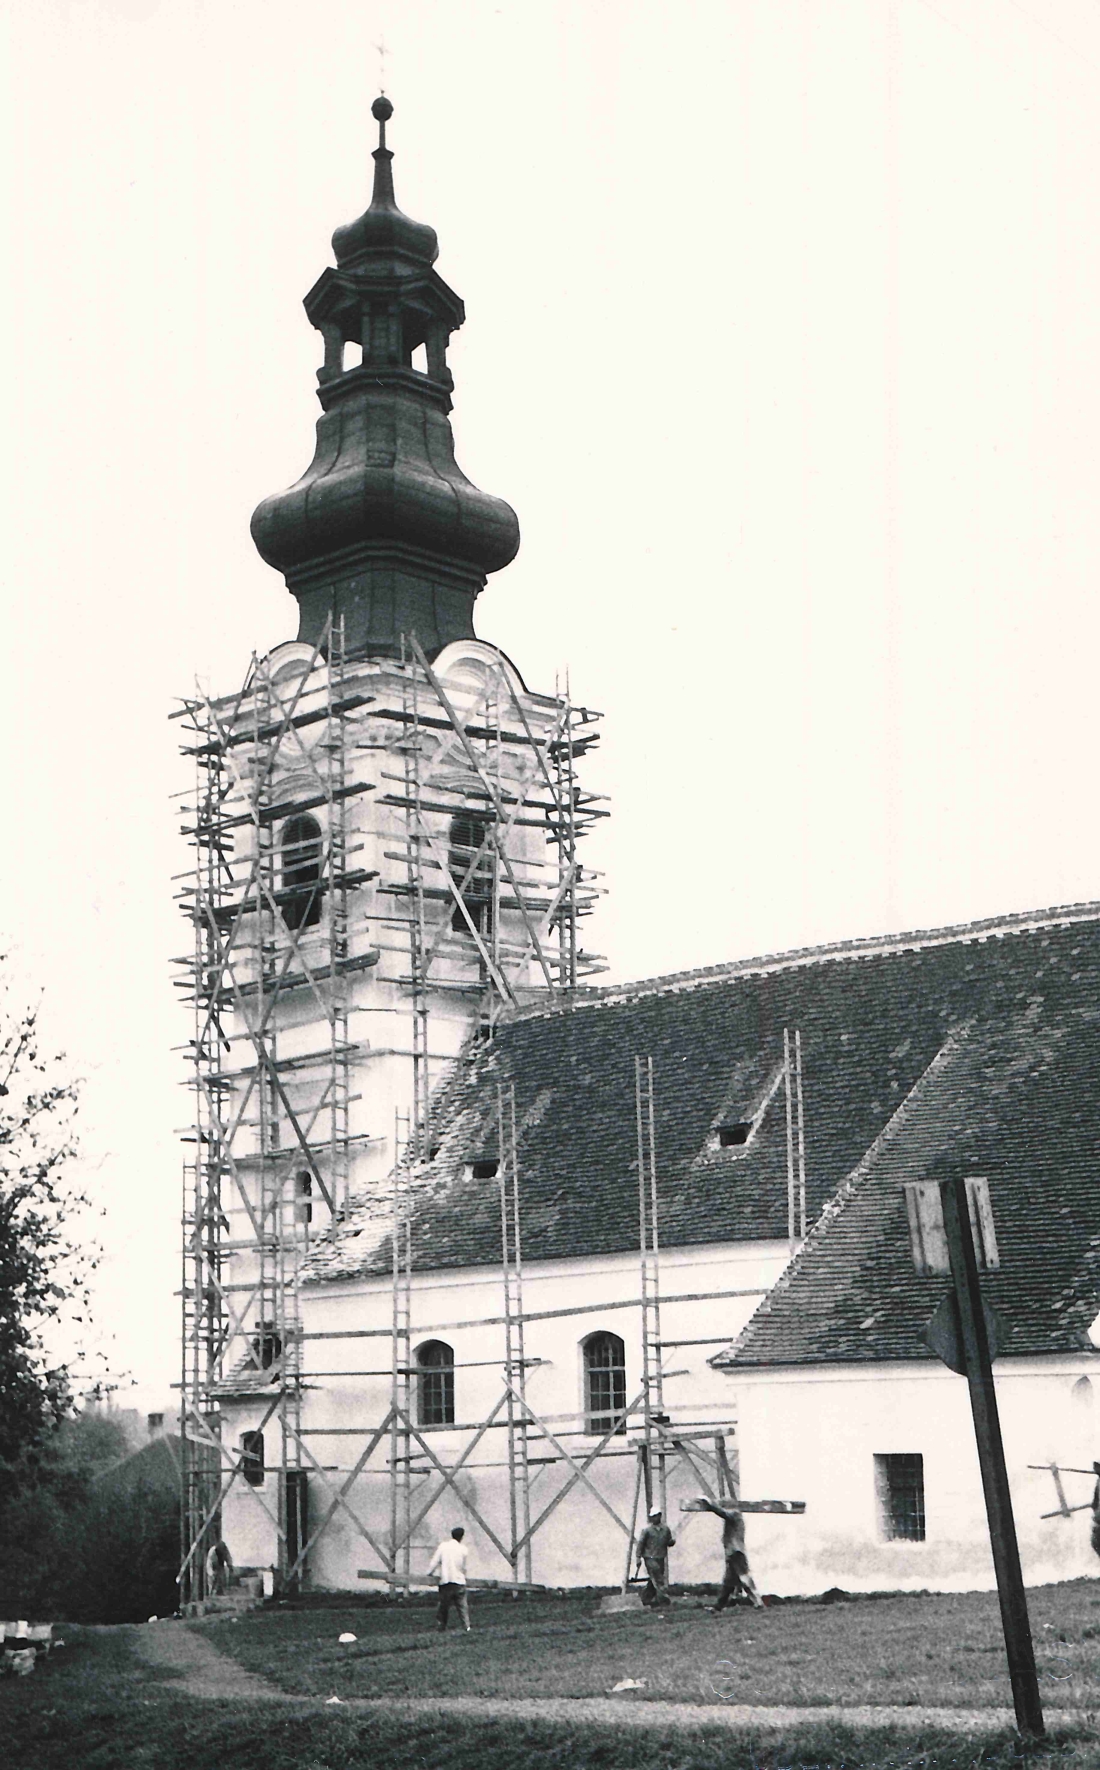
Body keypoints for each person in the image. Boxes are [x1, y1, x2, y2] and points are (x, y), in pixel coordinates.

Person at [695, 1498, 764, 1611]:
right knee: (728, 1583)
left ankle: (758, 1601)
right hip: (732, 1552)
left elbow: (723, 1513)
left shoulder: (735, 1514)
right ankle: (718, 1606)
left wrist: (710, 1505)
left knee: (744, 1578)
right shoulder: (736, 1516)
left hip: (736, 1552)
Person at [428, 1525, 471, 1632]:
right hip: (459, 1581)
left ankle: (441, 1628)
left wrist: (429, 1573)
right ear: (461, 1537)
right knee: (462, 1607)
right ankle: (467, 1627)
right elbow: (464, 1567)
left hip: (446, 1582)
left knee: (444, 1607)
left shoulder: (443, 1546)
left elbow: (434, 1562)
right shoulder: (463, 1549)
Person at [634, 1508, 675, 1607]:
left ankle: (645, 1599)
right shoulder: (647, 1530)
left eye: (656, 1516)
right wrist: (638, 1558)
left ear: (660, 1515)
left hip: (661, 1557)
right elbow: (640, 1544)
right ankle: (664, 1601)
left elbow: (669, 1541)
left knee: (654, 1581)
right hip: (649, 1558)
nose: (654, 1518)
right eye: (652, 1516)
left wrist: (671, 1542)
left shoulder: (666, 1529)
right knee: (659, 1579)